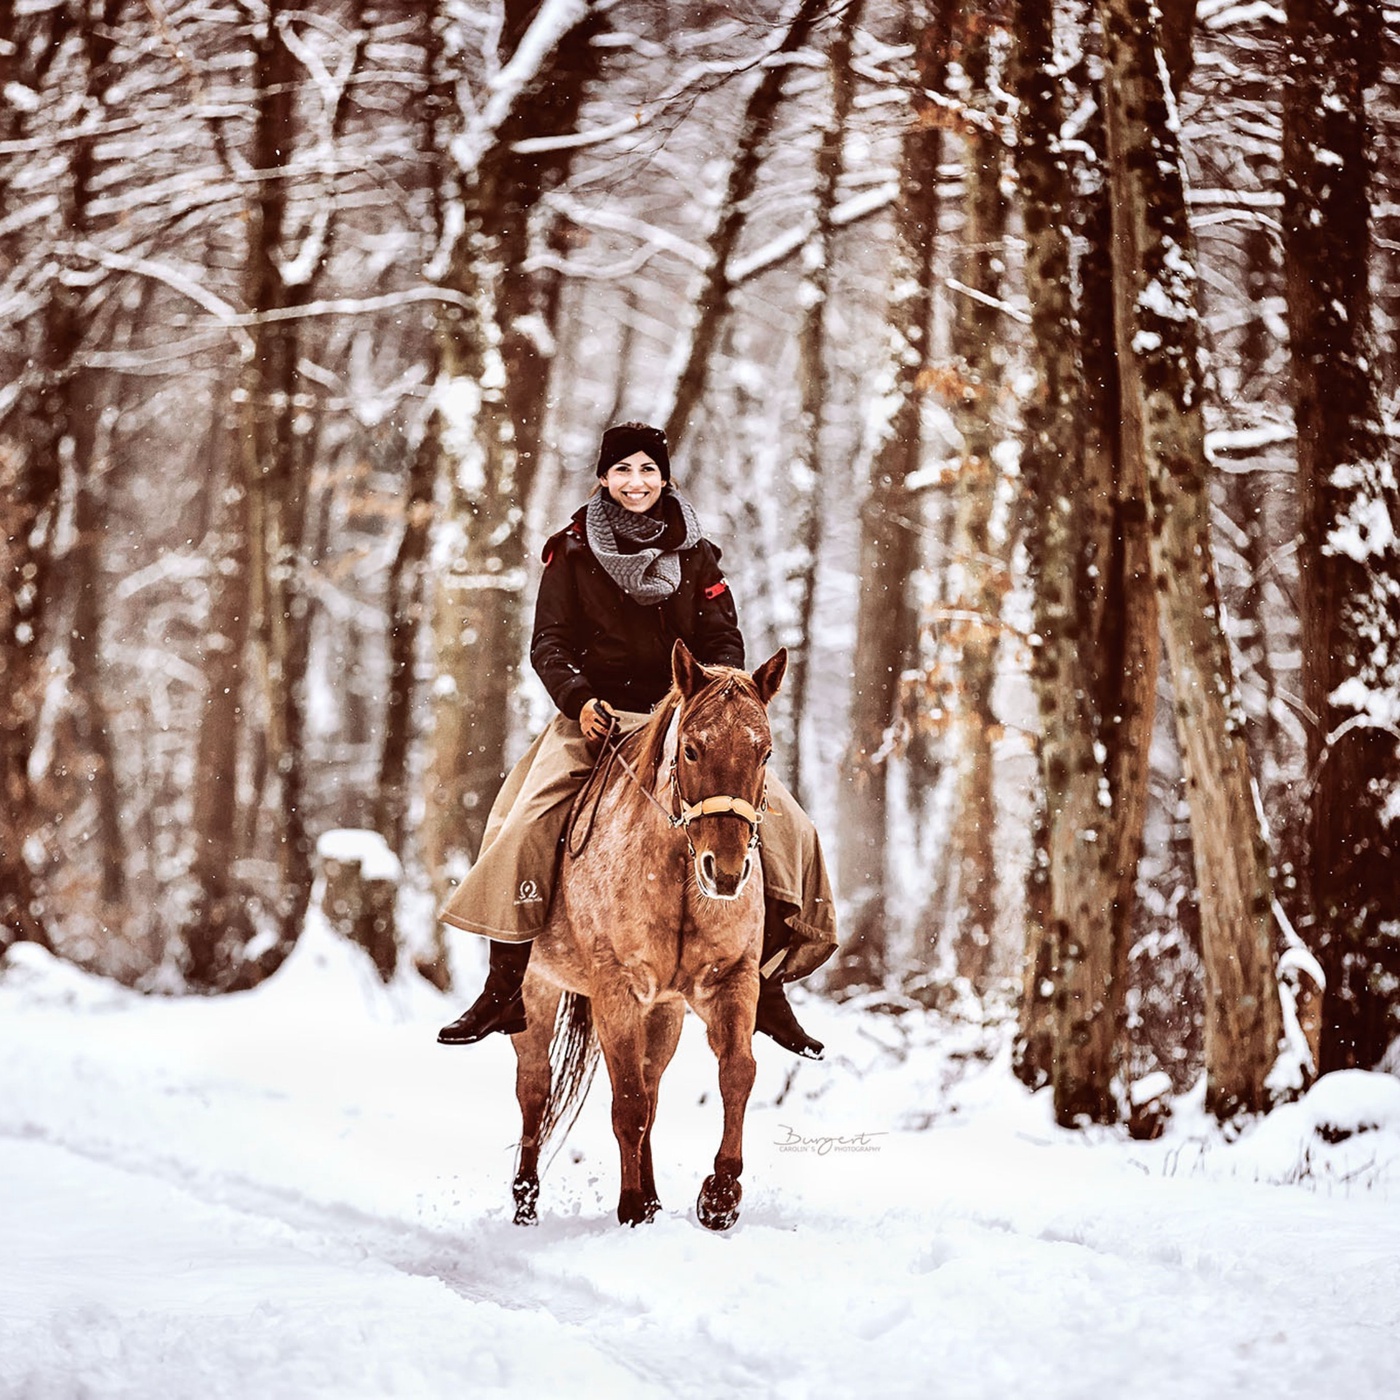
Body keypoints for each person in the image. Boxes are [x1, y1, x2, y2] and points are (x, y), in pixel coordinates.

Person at [437, 421, 838, 1057]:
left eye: (647, 470)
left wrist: (715, 693)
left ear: (664, 478)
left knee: (790, 825)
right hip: (598, 719)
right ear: (603, 478)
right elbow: (550, 644)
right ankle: (504, 986)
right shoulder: (569, 551)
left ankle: (768, 984)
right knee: (523, 823)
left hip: (685, 721)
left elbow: (721, 638)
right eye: (622, 470)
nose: (635, 482)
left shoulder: (698, 554)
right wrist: (579, 699)